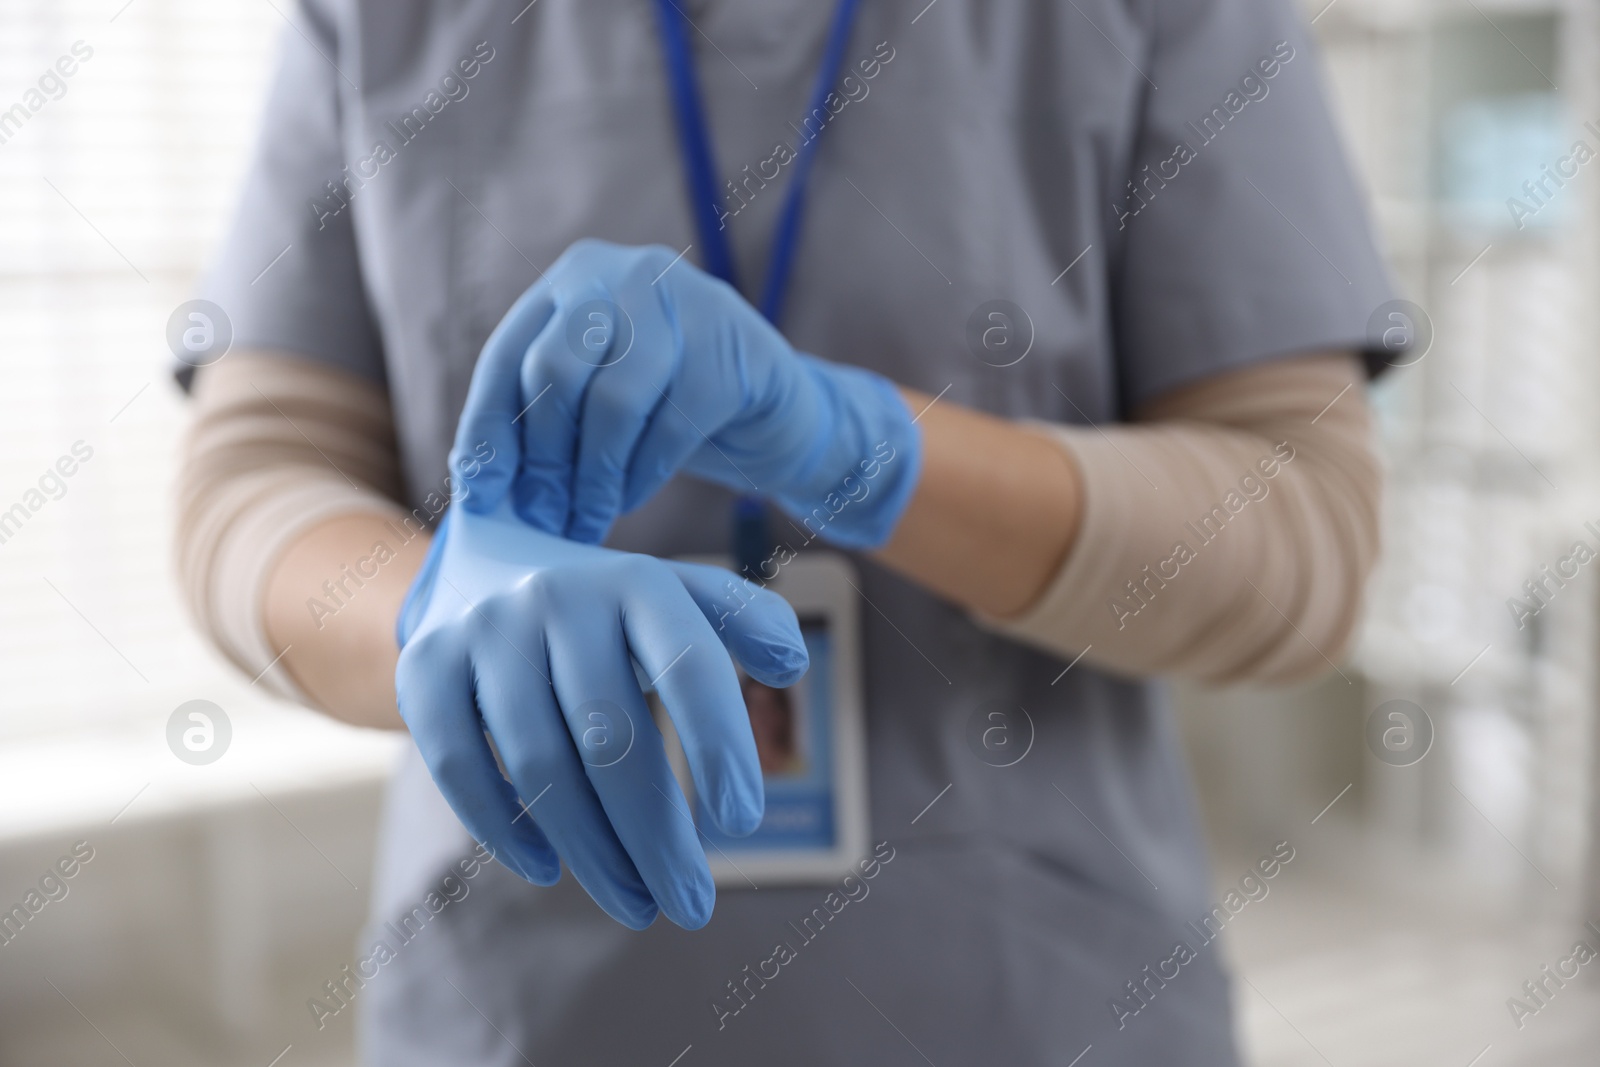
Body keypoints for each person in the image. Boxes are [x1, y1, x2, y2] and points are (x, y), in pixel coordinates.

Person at [176, 0, 1393, 1062]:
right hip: (524, 1003)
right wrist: (428, 608)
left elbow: (1302, 529)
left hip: (1037, 997)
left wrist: (857, 445)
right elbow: (253, 479)